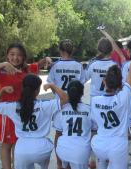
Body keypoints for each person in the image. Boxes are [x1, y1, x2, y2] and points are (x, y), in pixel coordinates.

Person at [0, 43, 51, 169]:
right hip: (7, 113)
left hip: (23, 112)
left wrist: (47, 59)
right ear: (7, 56)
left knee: (18, 142)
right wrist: (4, 64)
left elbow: (38, 65)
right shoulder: (3, 71)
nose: (15, 58)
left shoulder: (28, 70)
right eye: (12, 54)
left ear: (24, 57)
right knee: (7, 144)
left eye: (19, 55)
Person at [90, 35, 131, 169]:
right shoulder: (124, 97)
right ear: (121, 84)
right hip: (117, 147)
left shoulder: (95, 100)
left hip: (99, 145)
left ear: (104, 82)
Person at [0, 74, 67, 169]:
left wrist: (2, 91)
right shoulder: (45, 105)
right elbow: (65, 99)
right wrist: (52, 86)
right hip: (42, 148)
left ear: (23, 88)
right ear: (37, 91)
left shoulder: (14, 106)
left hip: (21, 148)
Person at [47, 39, 87, 168]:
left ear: (60, 50)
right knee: (75, 132)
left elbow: (51, 84)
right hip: (75, 101)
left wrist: (60, 92)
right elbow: (81, 84)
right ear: (72, 50)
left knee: (59, 132)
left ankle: (60, 164)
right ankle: (73, 160)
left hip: (60, 103)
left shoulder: (55, 65)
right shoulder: (78, 65)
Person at [54, 80, 92, 169]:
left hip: (63, 150)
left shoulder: (61, 110)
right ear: (82, 94)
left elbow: (57, 136)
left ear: (68, 93)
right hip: (81, 152)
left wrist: (59, 164)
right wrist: (93, 158)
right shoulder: (89, 109)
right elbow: (94, 134)